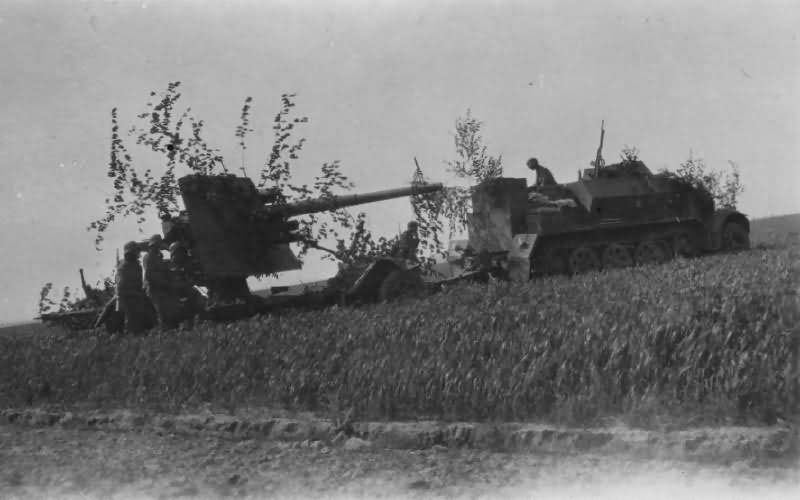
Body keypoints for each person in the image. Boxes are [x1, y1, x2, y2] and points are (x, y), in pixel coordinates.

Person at [143, 234, 181, 329]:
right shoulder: (149, 257)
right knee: (162, 312)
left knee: (170, 309)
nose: (158, 247)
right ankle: (164, 330)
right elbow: (150, 275)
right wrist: (164, 282)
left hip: (162, 288)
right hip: (154, 289)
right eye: (157, 245)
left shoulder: (158, 257)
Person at [114, 241, 149, 334]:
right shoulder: (124, 266)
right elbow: (121, 286)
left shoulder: (136, 265)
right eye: (135, 251)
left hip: (135, 294)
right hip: (127, 296)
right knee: (131, 320)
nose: (138, 254)